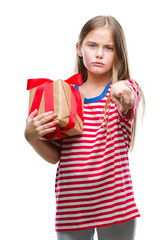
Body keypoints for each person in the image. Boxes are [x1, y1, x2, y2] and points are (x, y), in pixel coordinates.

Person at [25, 15, 143, 240]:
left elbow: (129, 94)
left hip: (116, 207)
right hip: (72, 209)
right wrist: (32, 138)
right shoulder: (65, 95)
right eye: (92, 45)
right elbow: (57, 156)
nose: (99, 53)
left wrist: (122, 89)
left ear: (118, 53)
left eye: (108, 48)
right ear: (79, 49)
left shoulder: (121, 92)